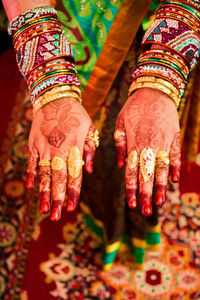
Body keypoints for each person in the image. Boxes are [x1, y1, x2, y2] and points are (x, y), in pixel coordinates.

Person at [2, 0, 200, 269]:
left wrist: (163, 72)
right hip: (85, 19)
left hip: (173, 19)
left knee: (149, 145)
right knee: (92, 146)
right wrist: (50, 79)